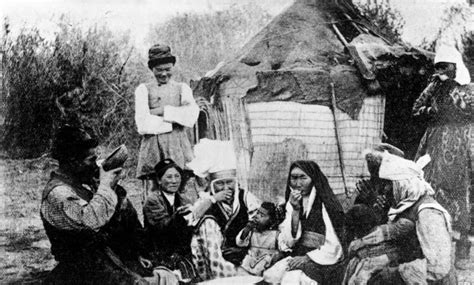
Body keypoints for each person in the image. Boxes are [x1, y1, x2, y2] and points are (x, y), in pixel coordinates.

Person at [40, 125, 170, 285]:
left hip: (103, 261)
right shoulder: (57, 194)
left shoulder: (80, 185)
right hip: (81, 271)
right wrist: (105, 187)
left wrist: (114, 191)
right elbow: (90, 221)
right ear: (73, 162)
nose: (96, 166)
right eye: (90, 160)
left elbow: (119, 225)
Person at [412, 45, 473, 269]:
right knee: (429, 187)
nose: (440, 71)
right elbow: (416, 109)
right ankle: (433, 246)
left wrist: (453, 96)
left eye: (444, 66)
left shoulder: (468, 89)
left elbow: (469, 110)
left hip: (459, 145)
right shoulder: (434, 87)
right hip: (434, 144)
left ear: (455, 67)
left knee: (459, 190)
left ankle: (463, 246)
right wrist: (432, 111)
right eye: (437, 67)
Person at [359, 150, 456, 284]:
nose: (384, 190)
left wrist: (395, 272)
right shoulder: (407, 204)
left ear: (401, 184)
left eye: (387, 185)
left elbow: (439, 268)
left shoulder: (428, 213)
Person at [186, 139, 261, 281]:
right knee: (207, 223)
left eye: (229, 182)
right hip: (214, 255)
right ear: (212, 184)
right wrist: (214, 199)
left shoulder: (245, 197)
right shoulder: (206, 200)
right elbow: (191, 218)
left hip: (242, 254)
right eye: (220, 183)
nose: (226, 187)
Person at [263, 160, 346, 285]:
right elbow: (289, 242)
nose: (297, 184)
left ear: (313, 179)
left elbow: (335, 245)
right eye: (294, 178)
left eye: (303, 178)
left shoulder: (325, 204)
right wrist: (295, 210)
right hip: (299, 255)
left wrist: (308, 258)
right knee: (270, 276)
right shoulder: (292, 203)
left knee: (291, 279)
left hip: (323, 259)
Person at [135, 44, 199, 201]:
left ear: (173, 67)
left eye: (167, 69)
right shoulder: (143, 89)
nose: (164, 74)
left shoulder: (182, 88)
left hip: (178, 146)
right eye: (159, 70)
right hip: (154, 147)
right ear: (152, 69)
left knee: (181, 187)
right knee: (154, 190)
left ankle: (182, 221)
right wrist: (175, 118)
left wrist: (161, 110)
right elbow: (143, 124)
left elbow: (190, 116)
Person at [143, 158, 200, 283]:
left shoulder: (185, 200)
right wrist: (179, 216)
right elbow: (160, 227)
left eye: (177, 176)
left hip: (182, 251)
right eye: (169, 177)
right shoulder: (152, 200)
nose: (174, 181)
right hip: (160, 252)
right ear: (159, 180)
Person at [235, 202, 284, 276]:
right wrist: (246, 229)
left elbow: (282, 251)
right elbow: (239, 243)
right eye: (257, 213)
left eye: (262, 215)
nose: (257, 216)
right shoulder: (251, 231)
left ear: (271, 220)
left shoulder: (276, 235)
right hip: (248, 265)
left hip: (266, 268)